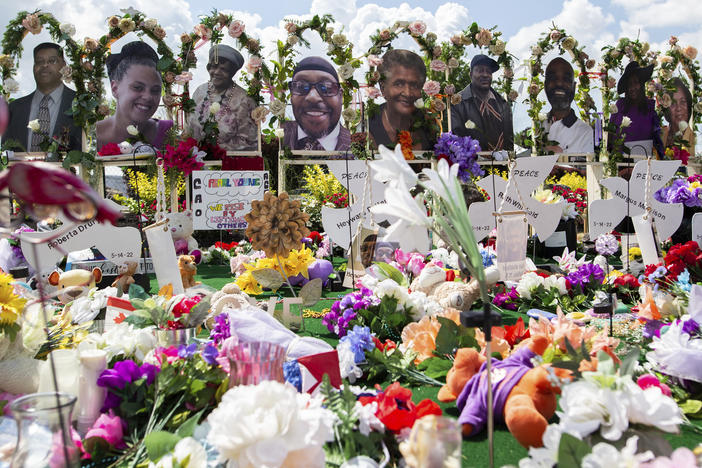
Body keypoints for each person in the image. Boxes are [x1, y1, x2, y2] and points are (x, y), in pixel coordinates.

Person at [2, 43, 82, 152]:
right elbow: (6, 153)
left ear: (64, 65)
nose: (45, 65)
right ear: (34, 67)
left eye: (52, 61)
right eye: (39, 61)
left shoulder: (80, 103)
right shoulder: (14, 109)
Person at [96, 41, 173, 150]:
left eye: (155, 90)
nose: (147, 96)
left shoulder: (168, 133)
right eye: (138, 87)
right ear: (115, 88)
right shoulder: (93, 135)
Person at [188, 44, 258, 151]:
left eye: (223, 69)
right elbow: (189, 127)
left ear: (232, 73)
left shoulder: (244, 99)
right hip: (195, 159)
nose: (216, 72)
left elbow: (249, 141)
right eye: (214, 67)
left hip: (230, 163)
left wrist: (214, 151)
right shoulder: (199, 92)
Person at [369, 49, 434, 150]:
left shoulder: (429, 124)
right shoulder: (368, 126)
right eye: (399, 84)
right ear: (383, 88)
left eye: (414, 85)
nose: (407, 93)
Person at [283, 56, 350, 151]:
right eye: (301, 86)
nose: (313, 97)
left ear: (340, 96)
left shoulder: (359, 144)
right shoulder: (278, 140)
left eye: (326, 87)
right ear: (291, 95)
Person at [451, 54, 513, 152]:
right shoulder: (458, 102)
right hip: (472, 164)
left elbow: (509, 141)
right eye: (480, 71)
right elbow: (457, 139)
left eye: (488, 72)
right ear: (471, 74)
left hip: (502, 164)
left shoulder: (503, 104)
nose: (485, 75)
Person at [609, 61, 664, 157]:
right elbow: (610, 134)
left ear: (641, 84)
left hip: (646, 163)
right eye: (629, 84)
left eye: (635, 83)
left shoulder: (649, 106)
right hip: (622, 163)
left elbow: (657, 137)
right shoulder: (620, 105)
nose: (632, 88)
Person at [543, 58, 594, 154]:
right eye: (553, 78)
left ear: (574, 87)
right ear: (545, 86)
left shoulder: (584, 132)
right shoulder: (537, 126)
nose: (559, 83)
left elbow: (586, 168)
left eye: (566, 79)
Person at [661, 77, 695, 155]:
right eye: (673, 103)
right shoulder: (660, 134)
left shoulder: (695, 138)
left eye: (683, 102)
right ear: (667, 109)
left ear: (688, 106)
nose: (678, 108)